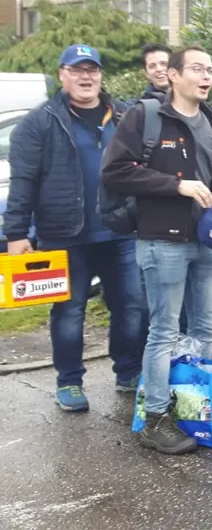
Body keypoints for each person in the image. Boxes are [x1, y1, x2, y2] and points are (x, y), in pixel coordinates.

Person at [103, 45, 212, 455]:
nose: (206, 76)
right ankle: (156, 417)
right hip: (162, 241)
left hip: (206, 240)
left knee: (204, 328)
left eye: (210, 69)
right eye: (197, 68)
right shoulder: (145, 117)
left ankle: (195, 410)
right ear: (174, 75)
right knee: (163, 331)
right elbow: (115, 172)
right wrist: (176, 185)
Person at [3, 44, 146, 412]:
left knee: (132, 306)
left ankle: (128, 371)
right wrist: (16, 234)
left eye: (92, 70)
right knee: (69, 312)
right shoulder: (39, 123)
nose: (86, 77)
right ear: (62, 75)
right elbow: (23, 182)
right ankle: (69, 381)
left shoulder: (123, 116)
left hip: (121, 232)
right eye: (77, 70)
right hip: (64, 235)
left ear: (100, 74)